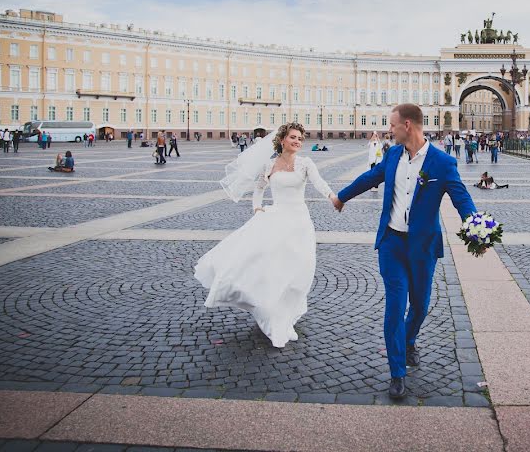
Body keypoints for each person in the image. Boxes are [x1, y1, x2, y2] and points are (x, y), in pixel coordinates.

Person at [333, 103, 478, 400]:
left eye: (393, 125)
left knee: (420, 306)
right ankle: (397, 373)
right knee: (395, 306)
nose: (389, 130)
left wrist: (478, 229)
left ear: (408, 125)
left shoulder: (442, 162)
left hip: (422, 247)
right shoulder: (393, 154)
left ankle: (410, 339)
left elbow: (462, 199)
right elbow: (370, 178)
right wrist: (342, 197)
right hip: (392, 243)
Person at [194, 123, 339, 349]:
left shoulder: (305, 163)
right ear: (282, 139)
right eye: (293, 137)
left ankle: (288, 315)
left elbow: (319, 183)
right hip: (277, 219)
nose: (297, 141)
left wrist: (332, 196)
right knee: (275, 270)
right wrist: (257, 208)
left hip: (299, 222)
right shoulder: (270, 164)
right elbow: (259, 189)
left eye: (300, 138)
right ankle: (275, 317)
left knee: (301, 271)